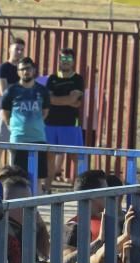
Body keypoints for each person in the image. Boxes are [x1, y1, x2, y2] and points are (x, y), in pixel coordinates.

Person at [0, 57, 49, 191]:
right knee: (16, 177)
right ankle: (17, 208)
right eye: (22, 69)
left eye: (28, 68)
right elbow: (5, 113)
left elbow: (45, 112)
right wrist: (14, 127)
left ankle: (35, 208)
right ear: (18, 72)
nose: (25, 72)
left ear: (33, 70)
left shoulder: (42, 91)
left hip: (38, 138)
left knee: (38, 177)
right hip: (18, 139)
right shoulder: (11, 91)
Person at [44, 48, 86, 185]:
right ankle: (47, 188)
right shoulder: (52, 78)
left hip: (70, 124)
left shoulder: (77, 79)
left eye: (68, 59)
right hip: (50, 123)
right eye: (63, 59)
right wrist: (69, 101)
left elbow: (73, 99)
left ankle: (81, 188)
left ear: (73, 61)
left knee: (76, 156)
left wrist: (58, 99)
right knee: (49, 156)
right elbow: (50, 99)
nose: (65, 62)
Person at [0, 38, 25, 146]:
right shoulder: (3, 68)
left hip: (22, 113)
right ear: (9, 49)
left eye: (22, 50)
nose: (19, 52)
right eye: (17, 49)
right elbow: (4, 92)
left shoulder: (25, 69)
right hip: (7, 111)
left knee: (16, 148)